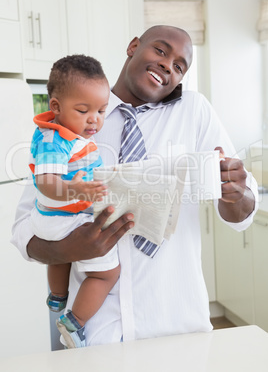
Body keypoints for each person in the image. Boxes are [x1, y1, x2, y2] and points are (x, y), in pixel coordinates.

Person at [12, 25, 258, 347]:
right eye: (160, 50)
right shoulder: (75, 118)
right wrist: (69, 249)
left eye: (179, 66)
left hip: (177, 323)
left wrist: (235, 191)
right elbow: (24, 230)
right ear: (133, 46)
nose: (169, 65)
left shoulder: (194, 111)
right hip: (96, 332)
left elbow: (242, 211)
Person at [28, 54, 121, 348]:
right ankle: (75, 321)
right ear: (55, 107)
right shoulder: (52, 140)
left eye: (102, 111)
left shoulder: (69, 133)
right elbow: (46, 183)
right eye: (84, 110)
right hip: (62, 219)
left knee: (61, 257)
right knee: (107, 273)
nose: (95, 119)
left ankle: (57, 296)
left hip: (52, 219)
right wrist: (77, 191)